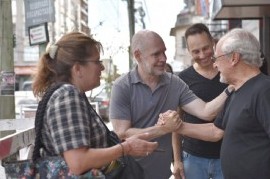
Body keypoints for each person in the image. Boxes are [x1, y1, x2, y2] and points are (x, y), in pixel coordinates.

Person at [109, 29, 233, 179]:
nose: (163, 58)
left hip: (161, 174)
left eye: (164, 52)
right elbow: (122, 134)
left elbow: (206, 111)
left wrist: (231, 87)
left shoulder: (174, 82)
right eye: (156, 54)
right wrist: (162, 130)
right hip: (129, 173)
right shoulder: (122, 86)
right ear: (138, 55)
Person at [31, 32, 159, 176]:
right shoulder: (67, 95)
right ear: (78, 68)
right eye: (97, 61)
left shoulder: (69, 94)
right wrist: (126, 148)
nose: (102, 68)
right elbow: (78, 162)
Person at [160, 28, 270, 179]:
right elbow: (215, 131)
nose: (215, 64)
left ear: (234, 58)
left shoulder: (264, 91)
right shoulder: (235, 91)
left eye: (217, 58)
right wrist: (177, 126)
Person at [173, 23, 227, 179]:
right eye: (196, 51)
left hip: (225, 156)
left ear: (213, 42)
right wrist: (177, 160)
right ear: (189, 51)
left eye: (205, 48)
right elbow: (176, 123)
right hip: (192, 158)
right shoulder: (182, 79)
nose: (202, 55)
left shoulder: (228, 71)